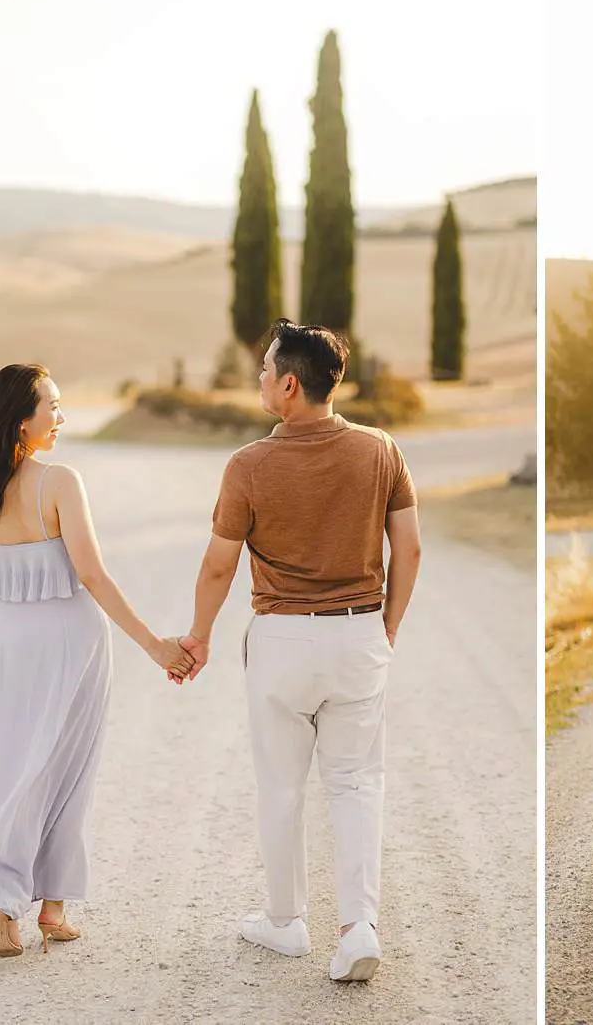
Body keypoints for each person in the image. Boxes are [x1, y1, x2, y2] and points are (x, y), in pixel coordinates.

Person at [0, 363, 195, 957]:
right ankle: (53, 910)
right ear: (21, 419)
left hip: (8, 643)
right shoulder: (60, 482)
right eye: (53, 407)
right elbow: (91, 575)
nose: (61, 418)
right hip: (72, 641)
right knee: (66, 769)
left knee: (11, 764)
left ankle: (1, 907)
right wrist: (153, 645)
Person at [176, 320, 422, 983]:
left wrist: (197, 637)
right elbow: (412, 549)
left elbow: (218, 567)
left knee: (281, 786)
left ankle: (285, 922)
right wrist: (387, 626)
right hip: (358, 632)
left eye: (263, 371)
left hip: (282, 639)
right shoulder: (380, 451)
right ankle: (358, 928)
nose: (258, 380)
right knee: (356, 782)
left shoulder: (249, 466)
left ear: (289, 385)